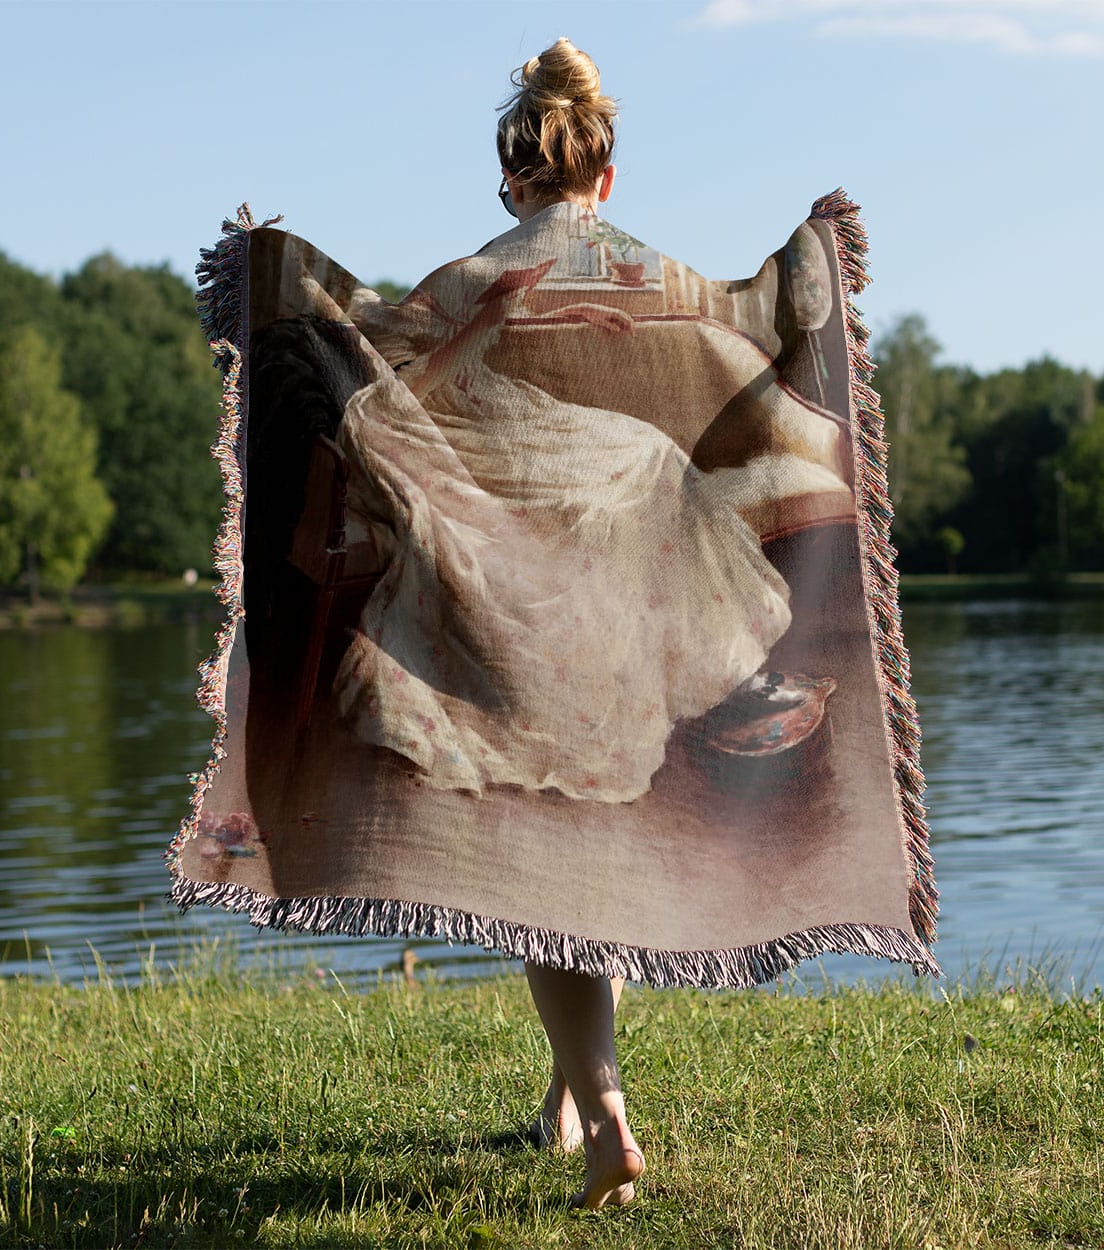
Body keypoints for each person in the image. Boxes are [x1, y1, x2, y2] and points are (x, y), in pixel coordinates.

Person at [495, 35, 647, 1212]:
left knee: (541, 875)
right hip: (637, 611)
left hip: (514, 611)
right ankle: (562, 1099)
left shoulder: (467, 279)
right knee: (594, 858)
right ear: (605, 176)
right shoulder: (662, 286)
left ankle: (602, 1113)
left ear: (512, 180)